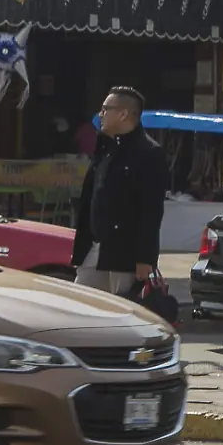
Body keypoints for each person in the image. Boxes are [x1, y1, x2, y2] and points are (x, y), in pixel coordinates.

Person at [71, 87, 169, 295]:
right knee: (81, 303)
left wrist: (145, 258)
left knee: (123, 309)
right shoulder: (105, 147)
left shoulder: (149, 153)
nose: (101, 114)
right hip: (95, 247)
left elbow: (151, 210)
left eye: (106, 109)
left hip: (125, 253)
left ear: (123, 114)